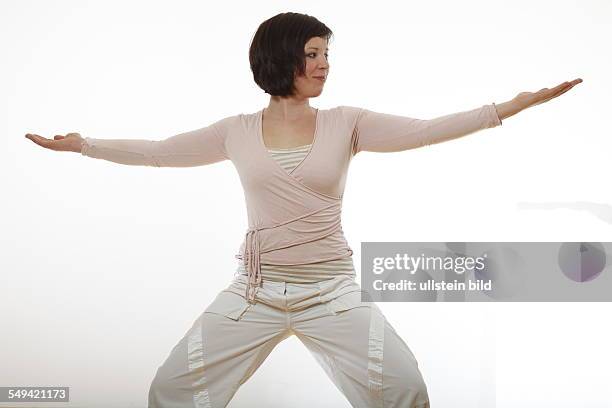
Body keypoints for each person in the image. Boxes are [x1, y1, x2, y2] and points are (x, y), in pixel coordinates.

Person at [25, 11, 582, 408]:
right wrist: (84, 144)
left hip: (332, 292)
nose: (323, 65)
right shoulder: (235, 132)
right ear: (281, 57)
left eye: (326, 55)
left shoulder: (347, 122)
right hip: (254, 293)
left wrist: (510, 107)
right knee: (172, 391)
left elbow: (425, 131)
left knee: (403, 389)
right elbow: (158, 153)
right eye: (313, 54)